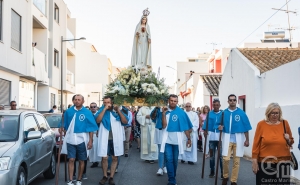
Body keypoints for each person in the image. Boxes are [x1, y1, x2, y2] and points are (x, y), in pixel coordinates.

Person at [59, 95, 99, 185]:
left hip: (82, 140)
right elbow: (63, 124)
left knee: (82, 160)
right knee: (71, 159)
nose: (77, 101)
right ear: (73, 101)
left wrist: (90, 141)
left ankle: (79, 179)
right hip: (70, 139)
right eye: (75, 100)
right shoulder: (68, 112)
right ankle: (70, 180)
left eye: (79, 100)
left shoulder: (87, 112)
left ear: (83, 101)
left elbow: (91, 128)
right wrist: (61, 128)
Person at [252, 103, 294, 185]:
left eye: (277, 113)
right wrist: (254, 161)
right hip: (265, 162)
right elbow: (256, 144)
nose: (275, 115)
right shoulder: (261, 124)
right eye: (272, 113)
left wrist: (288, 138)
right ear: (268, 113)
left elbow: (291, 142)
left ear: (279, 113)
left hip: (283, 162)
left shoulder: (285, 123)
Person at [218, 94, 252, 185]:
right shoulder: (224, 113)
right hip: (227, 138)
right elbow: (217, 124)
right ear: (228, 101)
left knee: (236, 161)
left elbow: (246, 127)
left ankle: (234, 180)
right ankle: (225, 176)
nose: (232, 102)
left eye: (234, 100)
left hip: (239, 138)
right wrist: (219, 127)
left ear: (236, 101)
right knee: (225, 159)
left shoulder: (241, 113)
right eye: (230, 100)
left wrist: (247, 139)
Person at [160, 94, 193, 185]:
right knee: (169, 159)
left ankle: (173, 176)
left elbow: (186, 127)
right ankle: (171, 180)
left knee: (175, 161)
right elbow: (163, 126)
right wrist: (163, 114)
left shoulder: (181, 112)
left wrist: (189, 139)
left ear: (177, 102)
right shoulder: (164, 111)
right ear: (168, 100)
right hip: (167, 140)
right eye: (171, 100)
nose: (173, 102)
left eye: (175, 101)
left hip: (177, 141)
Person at [96, 96, 128, 185]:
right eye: (105, 102)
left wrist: (118, 111)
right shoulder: (101, 110)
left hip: (115, 138)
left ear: (112, 102)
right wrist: (104, 109)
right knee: (104, 157)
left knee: (114, 158)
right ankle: (105, 176)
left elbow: (125, 121)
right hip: (105, 138)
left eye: (108, 102)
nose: (107, 104)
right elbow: (98, 120)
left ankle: (111, 177)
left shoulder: (117, 110)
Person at [202, 99, 223, 179]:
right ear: (212, 105)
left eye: (217, 105)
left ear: (219, 105)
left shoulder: (223, 114)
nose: (216, 106)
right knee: (212, 156)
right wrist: (205, 130)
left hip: (220, 138)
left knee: (221, 156)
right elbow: (206, 124)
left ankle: (222, 173)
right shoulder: (209, 114)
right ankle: (212, 171)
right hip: (211, 138)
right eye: (214, 105)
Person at [151, 107, 167, 176]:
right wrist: (156, 109)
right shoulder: (157, 109)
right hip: (160, 131)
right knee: (161, 149)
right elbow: (152, 117)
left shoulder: (170, 109)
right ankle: (160, 168)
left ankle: (165, 166)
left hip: (167, 131)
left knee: (166, 150)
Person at [89, 102, 101, 168]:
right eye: (91, 107)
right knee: (92, 149)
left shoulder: (99, 114)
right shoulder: (89, 114)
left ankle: (100, 161)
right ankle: (94, 161)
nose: (93, 108)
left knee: (97, 147)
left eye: (94, 106)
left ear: (96, 107)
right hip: (90, 133)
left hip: (97, 133)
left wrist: (98, 131)